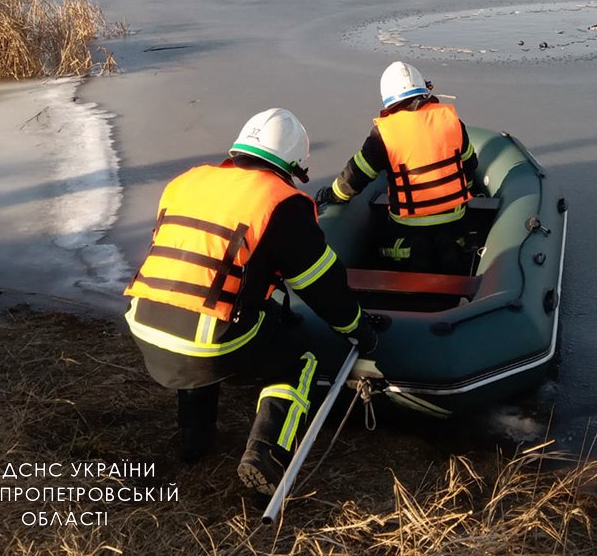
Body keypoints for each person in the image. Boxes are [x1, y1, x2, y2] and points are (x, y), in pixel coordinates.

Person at [123, 108, 378, 495]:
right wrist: (358, 328)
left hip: (144, 324)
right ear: (294, 163)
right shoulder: (282, 203)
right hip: (203, 340)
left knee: (205, 315)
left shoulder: (187, 182)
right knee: (297, 363)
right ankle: (267, 455)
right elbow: (321, 285)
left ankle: (194, 441)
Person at [316, 61, 478, 274]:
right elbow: (470, 164)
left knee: (390, 246)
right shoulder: (451, 121)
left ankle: (412, 250)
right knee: (452, 233)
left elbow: (357, 173)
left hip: (407, 222)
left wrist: (334, 194)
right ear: (424, 89)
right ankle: (449, 244)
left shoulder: (384, 134)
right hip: (453, 217)